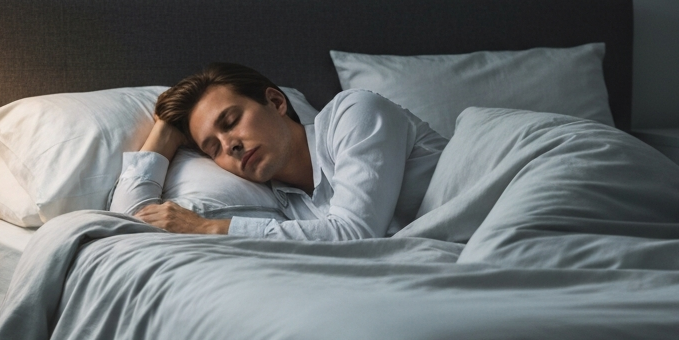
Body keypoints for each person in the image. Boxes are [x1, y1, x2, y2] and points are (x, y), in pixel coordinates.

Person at [108, 62, 447, 241]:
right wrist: (164, 136)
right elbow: (130, 225)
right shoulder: (284, 207)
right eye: (213, 148)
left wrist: (210, 227)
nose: (230, 145)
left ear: (275, 101)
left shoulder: (355, 111)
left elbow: (356, 233)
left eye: (231, 121)